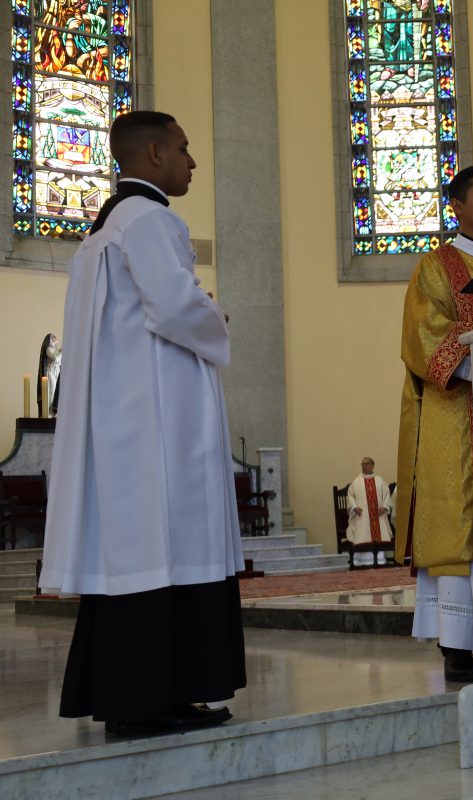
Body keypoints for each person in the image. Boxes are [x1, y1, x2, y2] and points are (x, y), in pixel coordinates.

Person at [40, 111, 245, 735]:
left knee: (141, 559)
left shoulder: (104, 227)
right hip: (160, 421)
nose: (192, 162)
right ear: (152, 153)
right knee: (165, 551)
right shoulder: (153, 219)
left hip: (125, 418)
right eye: (184, 149)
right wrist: (218, 318)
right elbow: (176, 306)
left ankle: (156, 693)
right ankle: (145, 705)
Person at [396, 165, 473, 683]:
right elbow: (423, 336)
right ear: (457, 206)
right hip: (457, 413)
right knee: (461, 519)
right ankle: (459, 645)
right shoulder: (436, 266)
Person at [347, 457, 394, 566]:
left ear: (372, 465)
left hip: (378, 516)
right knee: (362, 534)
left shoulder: (380, 481)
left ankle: (379, 560)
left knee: (380, 533)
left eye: (367, 464)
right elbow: (350, 496)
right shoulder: (356, 482)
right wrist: (354, 507)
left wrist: (385, 507)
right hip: (362, 517)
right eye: (362, 464)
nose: (364, 466)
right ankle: (362, 561)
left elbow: (387, 495)